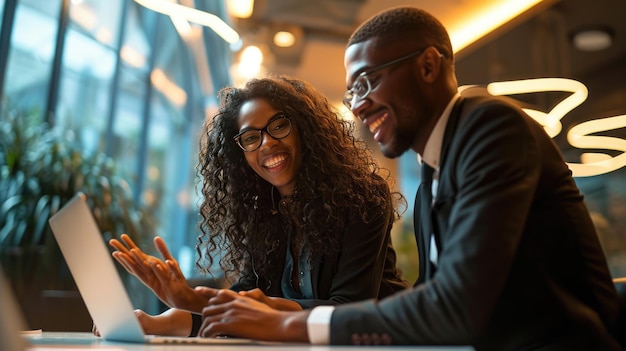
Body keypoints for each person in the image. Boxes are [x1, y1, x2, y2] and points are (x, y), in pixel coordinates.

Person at [195, 6, 624, 350]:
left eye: (366, 83)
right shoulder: (432, 177)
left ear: (428, 66)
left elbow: (455, 307)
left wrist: (290, 325)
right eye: (352, 93)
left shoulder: (491, 127)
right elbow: (427, 299)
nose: (359, 107)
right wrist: (203, 309)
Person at [105, 75, 409, 337]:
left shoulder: (361, 198)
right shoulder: (265, 210)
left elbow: (347, 309)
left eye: (278, 125)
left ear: (305, 129)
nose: (266, 143)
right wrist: (158, 321)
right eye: (251, 137)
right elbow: (247, 293)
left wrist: (199, 300)